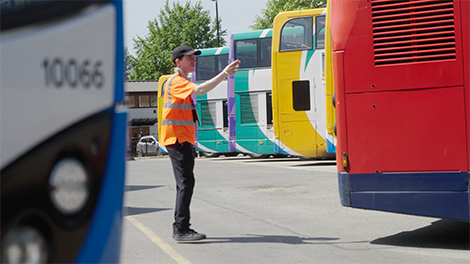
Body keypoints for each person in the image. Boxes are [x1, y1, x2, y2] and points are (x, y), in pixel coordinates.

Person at [160, 45, 240, 241]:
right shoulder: (176, 82)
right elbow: (201, 90)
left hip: (182, 140)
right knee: (185, 184)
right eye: (189, 58)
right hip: (177, 140)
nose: (193, 60)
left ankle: (182, 227)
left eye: (194, 58)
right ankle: (180, 229)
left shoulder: (180, 81)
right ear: (178, 62)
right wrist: (224, 74)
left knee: (186, 183)